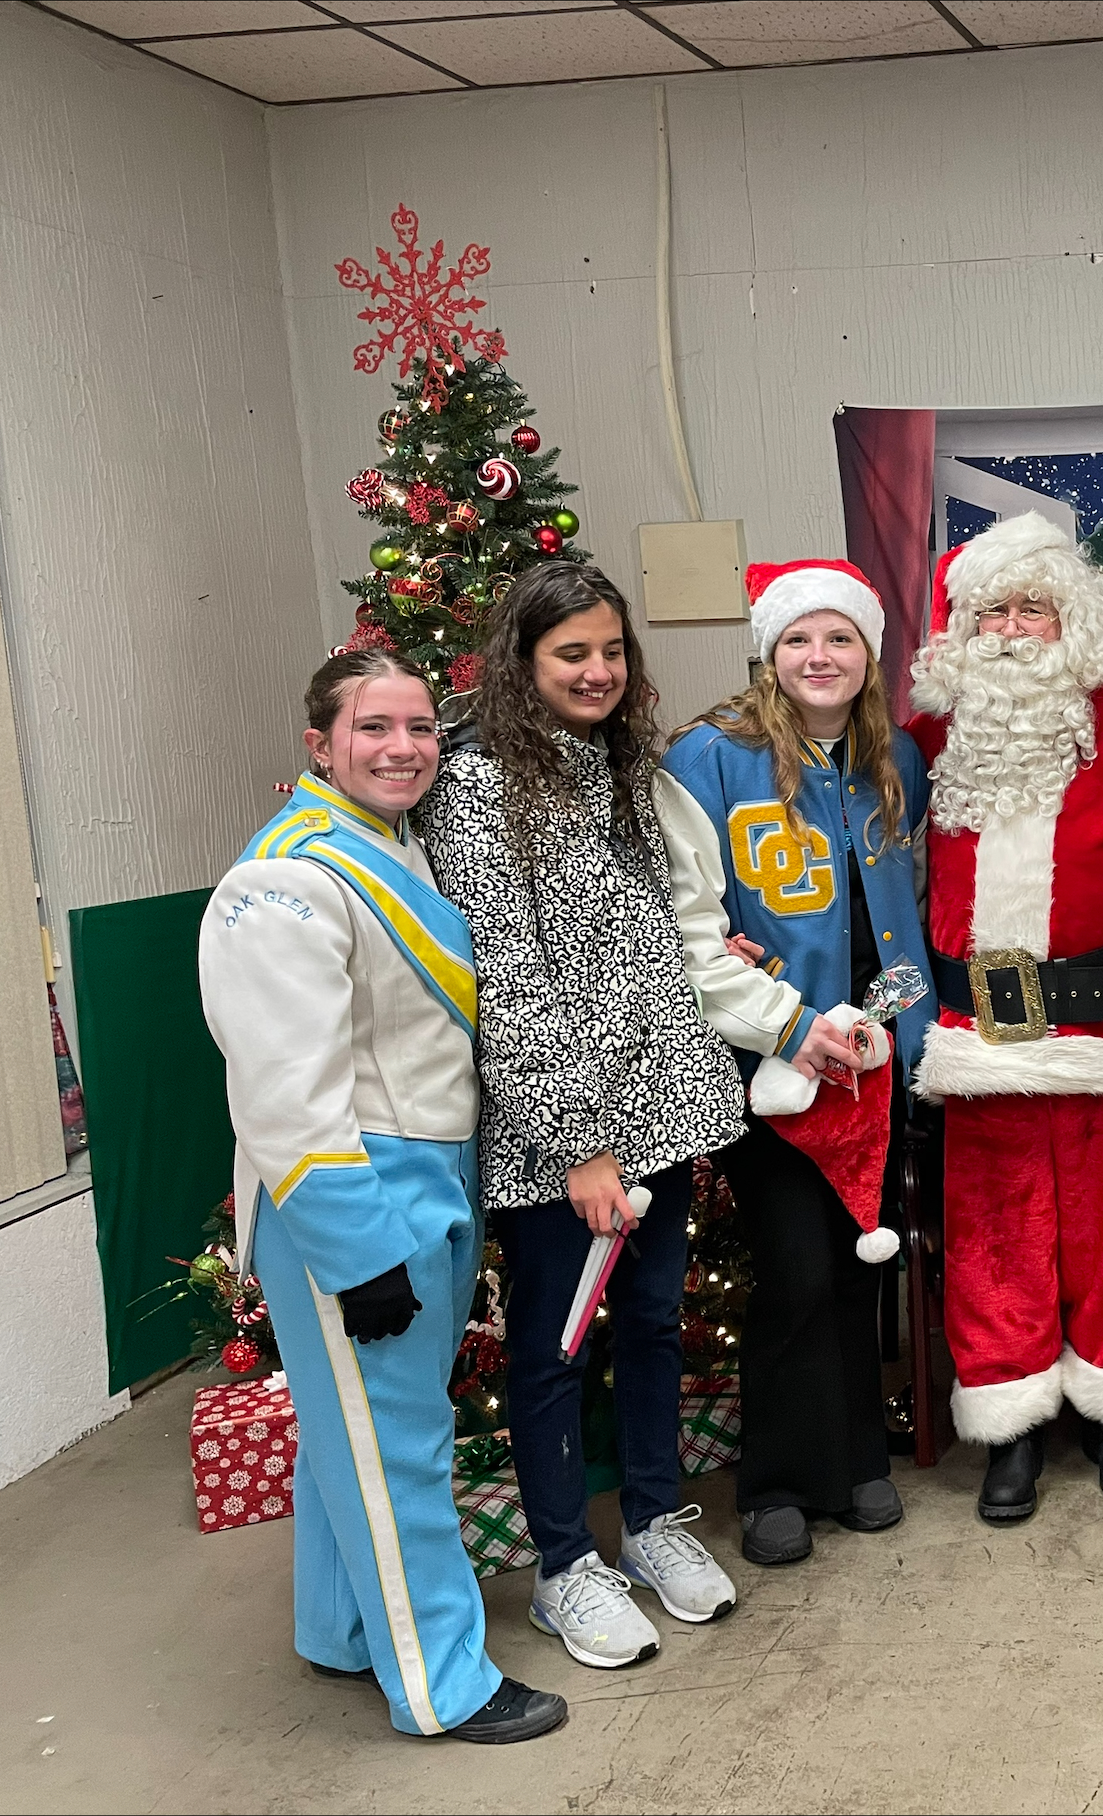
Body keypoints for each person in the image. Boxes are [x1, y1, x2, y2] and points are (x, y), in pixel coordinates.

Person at [198, 648, 565, 1743]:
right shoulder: (285, 881)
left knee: (348, 1428)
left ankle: (344, 1630)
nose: (403, 747)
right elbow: (284, 1100)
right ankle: (442, 1682)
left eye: (418, 727)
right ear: (320, 744)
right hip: (354, 1189)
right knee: (394, 1442)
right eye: (374, 729)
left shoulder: (382, 848)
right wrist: (356, 1253)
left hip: (424, 1167)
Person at [421, 563, 745, 1670]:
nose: (599, 671)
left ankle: (653, 1524)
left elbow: (635, 923)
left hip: (659, 1113)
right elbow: (503, 977)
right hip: (564, 1142)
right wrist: (579, 1142)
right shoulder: (472, 787)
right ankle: (565, 1567)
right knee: (554, 1351)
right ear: (521, 661)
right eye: (573, 654)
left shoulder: (618, 767)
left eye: (611, 651)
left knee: (651, 1325)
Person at [908, 513, 1103, 1524]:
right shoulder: (928, 731)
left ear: (1070, 617)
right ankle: (1011, 1427)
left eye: (1031, 607)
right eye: (991, 609)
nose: (1011, 628)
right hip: (981, 1038)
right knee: (995, 1234)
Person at [656, 558, 930, 1568]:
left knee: (865, 1267)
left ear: (867, 656)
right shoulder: (707, 756)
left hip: (876, 1049)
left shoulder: (891, 753)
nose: (821, 656)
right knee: (796, 1270)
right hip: (771, 1054)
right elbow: (685, 908)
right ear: (770, 653)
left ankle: (860, 1460)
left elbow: (905, 898)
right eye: (800, 638)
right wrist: (768, 1002)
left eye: (841, 638)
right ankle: (776, 1478)